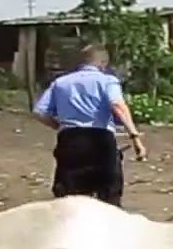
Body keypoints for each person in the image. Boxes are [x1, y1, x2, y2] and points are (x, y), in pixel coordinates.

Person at [33, 44, 147, 206]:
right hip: (100, 140)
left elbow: (39, 112)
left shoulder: (60, 82)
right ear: (103, 64)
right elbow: (117, 105)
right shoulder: (107, 81)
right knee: (108, 194)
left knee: (69, 196)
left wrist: (60, 126)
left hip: (70, 139)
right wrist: (135, 137)